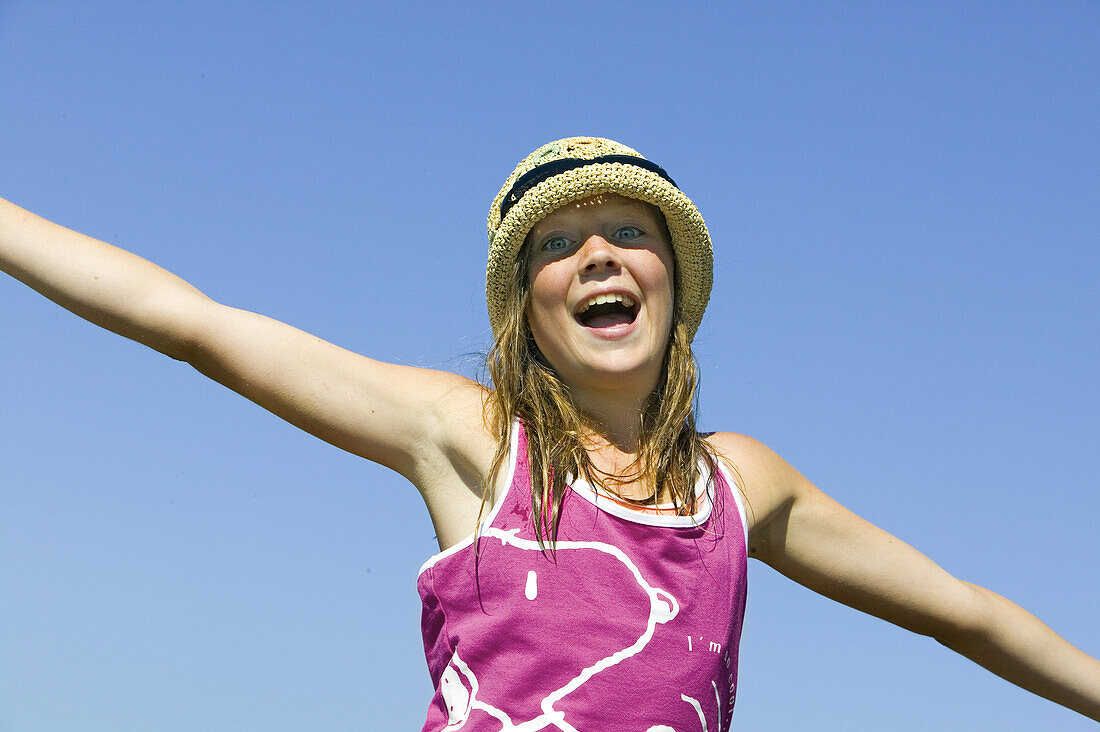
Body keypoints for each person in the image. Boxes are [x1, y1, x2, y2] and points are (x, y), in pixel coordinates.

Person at [1, 137, 1097, 730]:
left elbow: (966, 616)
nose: (600, 256)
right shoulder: (473, 437)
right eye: (559, 246)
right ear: (525, 306)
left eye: (629, 232)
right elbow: (192, 324)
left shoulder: (739, 487)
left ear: (674, 284)